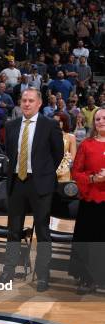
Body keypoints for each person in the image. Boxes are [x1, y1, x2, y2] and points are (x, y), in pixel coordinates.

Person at [0, 88, 64, 292]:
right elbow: (9, 151)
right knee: (13, 230)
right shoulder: (12, 124)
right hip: (17, 182)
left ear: (39, 103)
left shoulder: (50, 125)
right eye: (24, 100)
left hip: (40, 183)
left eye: (31, 100)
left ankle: (43, 275)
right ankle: (8, 271)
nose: (26, 104)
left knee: (42, 230)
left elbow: (57, 154)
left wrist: (43, 173)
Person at [70, 108, 105, 294]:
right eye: (97, 118)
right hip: (90, 201)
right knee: (88, 242)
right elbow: (76, 173)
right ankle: (86, 279)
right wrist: (92, 179)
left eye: (104, 118)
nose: (100, 121)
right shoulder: (86, 145)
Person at [53, 113, 77, 182]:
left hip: (64, 172)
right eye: (54, 121)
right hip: (48, 172)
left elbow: (72, 157)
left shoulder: (71, 137)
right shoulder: (47, 136)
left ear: (64, 122)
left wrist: (60, 169)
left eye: (58, 121)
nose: (55, 123)